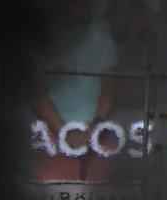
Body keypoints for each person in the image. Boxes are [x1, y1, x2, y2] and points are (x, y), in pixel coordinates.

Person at [30, 4, 119, 182]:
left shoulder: (98, 32)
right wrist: (64, 132)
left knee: (92, 198)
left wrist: (94, 127)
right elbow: (35, 91)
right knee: (51, 197)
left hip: (93, 140)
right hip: (49, 139)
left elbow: (110, 86)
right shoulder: (41, 34)